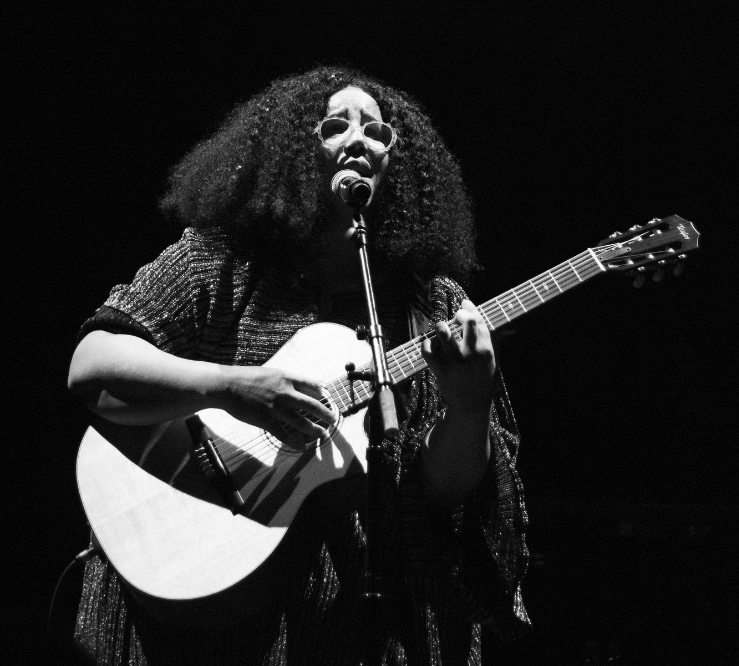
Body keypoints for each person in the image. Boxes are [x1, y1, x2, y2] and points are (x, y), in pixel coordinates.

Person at [68, 65, 530, 665]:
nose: (360, 140)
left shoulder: (434, 304)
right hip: (206, 594)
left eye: (378, 132)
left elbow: (442, 489)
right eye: (335, 126)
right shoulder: (224, 260)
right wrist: (234, 388)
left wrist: (470, 402)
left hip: (365, 621)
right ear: (290, 150)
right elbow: (94, 363)